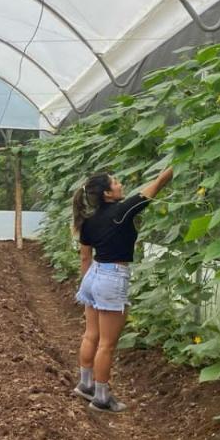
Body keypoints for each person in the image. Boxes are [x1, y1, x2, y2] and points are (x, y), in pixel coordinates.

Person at [71, 166, 174, 412]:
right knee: (107, 344)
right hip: (112, 277)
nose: (121, 185)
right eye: (116, 182)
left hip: (94, 275)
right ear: (107, 193)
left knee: (91, 335)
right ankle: (102, 397)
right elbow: (157, 185)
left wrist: (88, 287)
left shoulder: (88, 220)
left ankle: (86, 385)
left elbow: (85, 258)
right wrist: (177, 164)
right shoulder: (121, 211)